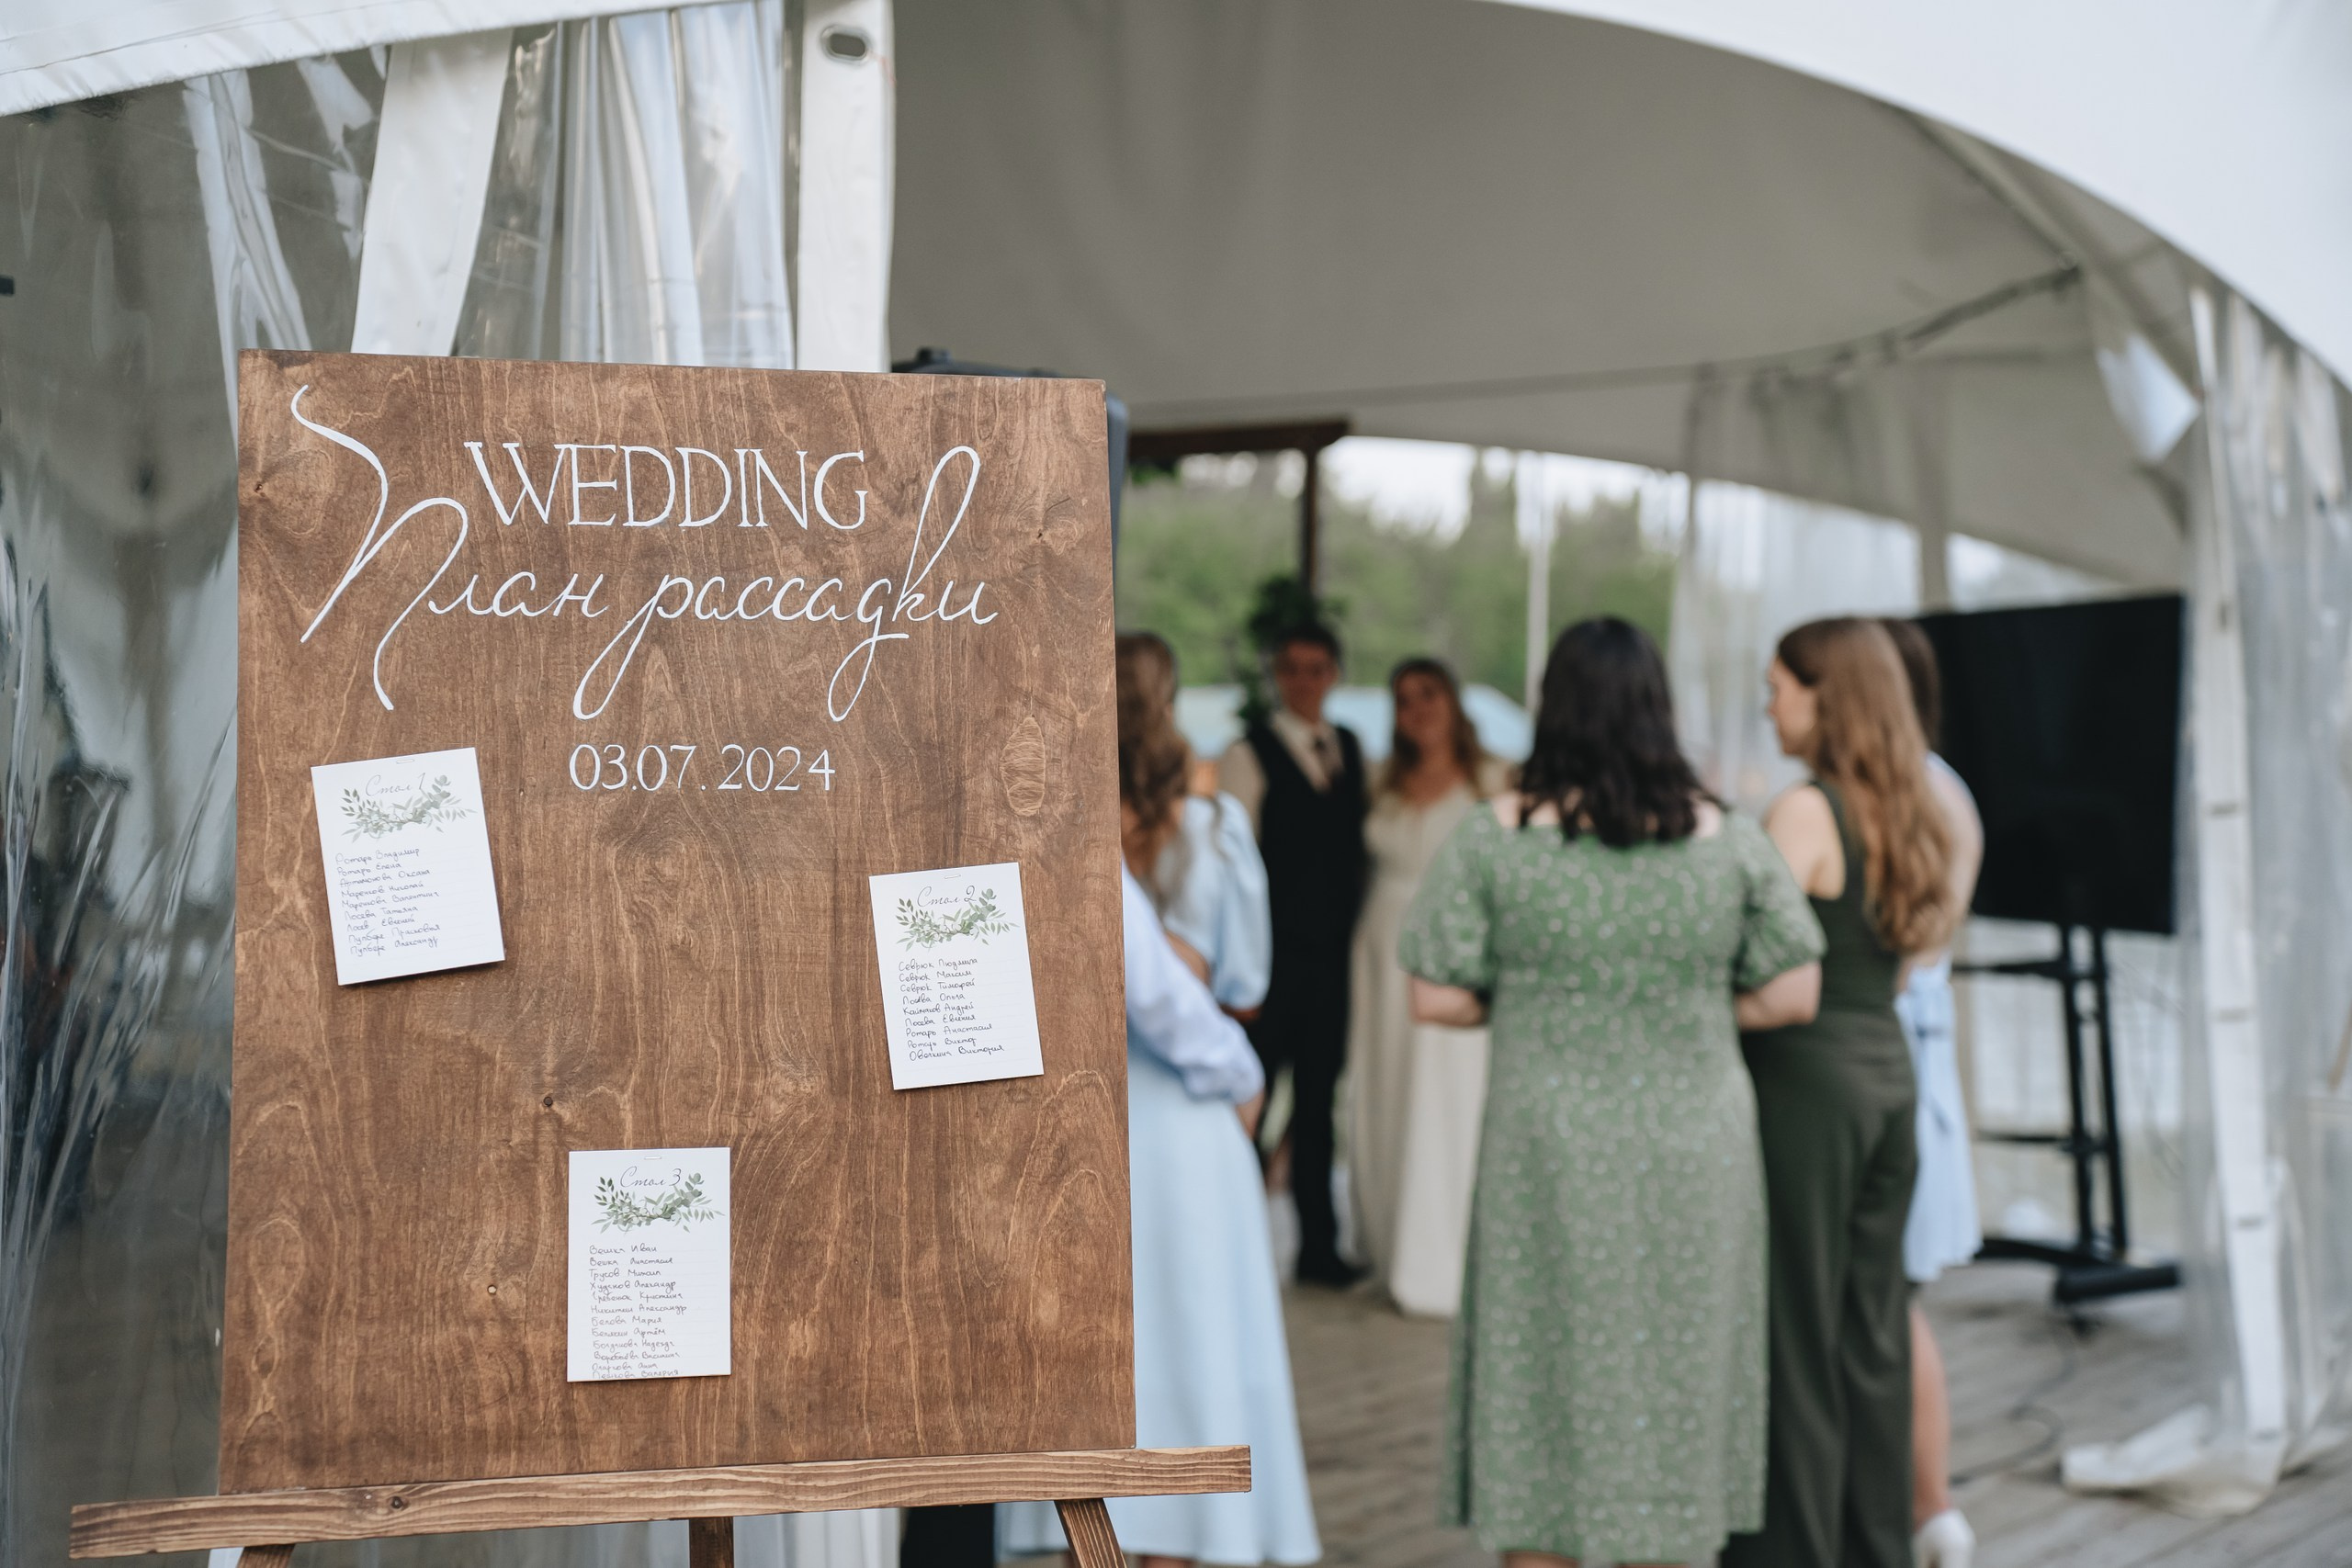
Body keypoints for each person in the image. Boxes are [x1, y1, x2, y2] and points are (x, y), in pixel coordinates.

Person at [1401, 616, 1826, 1567]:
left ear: (1551, 713)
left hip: (1545, 1144)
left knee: (1539, 1371)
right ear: (1656, 713)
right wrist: (1683, 1000)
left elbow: (1433, 994)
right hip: (1692, 1145)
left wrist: (1537, 997)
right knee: (1677, 1375)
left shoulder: (1495, 838)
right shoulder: (1729, 838)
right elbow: (1794, 990)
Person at [1004, 633, 1319, 1568]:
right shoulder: (1205, 824)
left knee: (1099, 1361)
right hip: (1181, 1116)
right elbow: (1242, 980)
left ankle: (1090, 1541)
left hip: (1080, 1116)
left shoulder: (1037, 820)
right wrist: (1243, 1071)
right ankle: (1176, 1539)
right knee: (1188, 1351)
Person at [1723, 617, 1958, 1568]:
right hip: (1887, 1081)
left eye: (1779, 685)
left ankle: (1789, 1552)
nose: (1767, 703)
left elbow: (1751, 962)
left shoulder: (1806, 812)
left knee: (1791, 1332)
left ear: (1829, 699)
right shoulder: (1913, 807)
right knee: (1870, 1336)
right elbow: (1903, 971)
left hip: (1807, 1091)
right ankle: (1872, 1549)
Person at [1346, 657, 1510, 1315]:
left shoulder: (1494, 779)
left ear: (1453, 700)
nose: (1416, 708)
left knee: (1449, 1093)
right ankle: (1388, 1242)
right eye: (1403, 697)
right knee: (1384, 1086)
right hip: (1380, 947)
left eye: (1428, 694)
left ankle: (1446, 1254)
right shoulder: (1380, 779)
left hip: (1456, 944)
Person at [1881, 618, 1987, 1568]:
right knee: (1891, 1300)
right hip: (1908, 1064)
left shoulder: (1927, 797)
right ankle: (1926, 1511)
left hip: (1897, 1068)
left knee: (1890, 1298)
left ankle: (1926, 1504)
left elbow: (1906, 953)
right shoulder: (1929, 790)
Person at [1217, 623, 1369, 1287]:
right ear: (1277, 676)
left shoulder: (1354, 749)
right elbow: (1231, 865)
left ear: (1334, 674)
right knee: (1251, 1100)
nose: (1303, 680)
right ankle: (1234, 1247)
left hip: (1333, 962)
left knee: (1316, 1106)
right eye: (1291, 668)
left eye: (1316, 668)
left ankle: (1318, 1248)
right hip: (1268, 964)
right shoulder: (1245, 755)